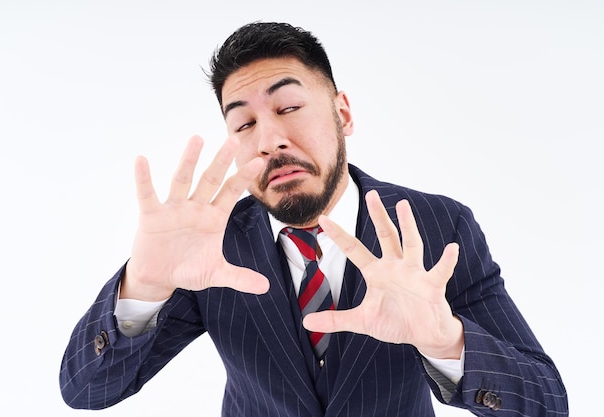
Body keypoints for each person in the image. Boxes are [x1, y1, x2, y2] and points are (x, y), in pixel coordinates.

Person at [59, 22, 568, 416]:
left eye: (289, 107)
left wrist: (446, 341)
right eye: (243, 123)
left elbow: (547, 402)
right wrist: (144, 285)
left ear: (342, 114)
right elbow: (87, 391)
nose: (269, 140)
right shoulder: (210, 247)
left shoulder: (438, 227)